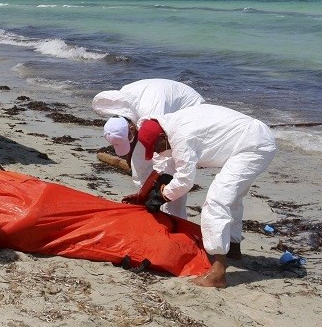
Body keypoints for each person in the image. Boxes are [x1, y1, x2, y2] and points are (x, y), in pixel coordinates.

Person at [135, 104, 277, 288]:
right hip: (252, 139)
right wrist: (143, 194)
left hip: (253, 146)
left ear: (163, 137)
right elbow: (168, 166)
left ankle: (217, 273)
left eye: (156, 148)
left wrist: (163, 195)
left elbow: (185, 181)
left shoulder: (181, 135)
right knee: (231, 199)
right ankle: (233, 251)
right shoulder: (170, 126)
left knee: (217, 201)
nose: (156, 153)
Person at [94, 79, 204, 217]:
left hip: (187, 108)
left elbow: (161, 165)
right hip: (156, 106)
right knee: (138, 164)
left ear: (133, 128)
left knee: (174, 167)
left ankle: (175, 217)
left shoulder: (150, 110)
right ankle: (147, 206)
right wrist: (142, 192)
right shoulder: (121, 111)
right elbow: (134, 147)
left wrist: (145, 194)